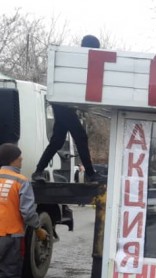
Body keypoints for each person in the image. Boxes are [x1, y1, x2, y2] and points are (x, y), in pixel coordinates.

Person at [32, 34, 103, 183]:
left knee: (57, 142)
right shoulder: (78, 59)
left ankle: (38, 171)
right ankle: (90, 173)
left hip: (62, 103)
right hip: (63, 104)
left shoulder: (75, 58)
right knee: (81, 137)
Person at [0, 143, 48, 278]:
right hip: (10, 237)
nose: (22, 160)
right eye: (19, 157)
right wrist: (38, 228)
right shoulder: (21, 180)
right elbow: (27, 212)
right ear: (12, 159)